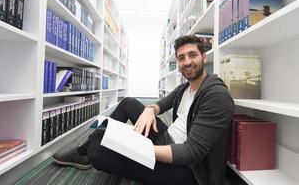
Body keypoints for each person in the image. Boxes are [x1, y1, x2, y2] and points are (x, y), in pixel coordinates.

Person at [52, 35, 234, 185]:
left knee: (97, 151)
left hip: (187, 169)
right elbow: (160, 105)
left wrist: (139, 148)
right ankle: (81, 153)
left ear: (204, 57)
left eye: (192, 55)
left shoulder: (216, 96)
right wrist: (149, 110)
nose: (187, 62)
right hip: (166, 139)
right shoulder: (186, 87)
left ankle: (85, 152)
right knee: (128, 103)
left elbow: (192, 152)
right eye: (181, 57)